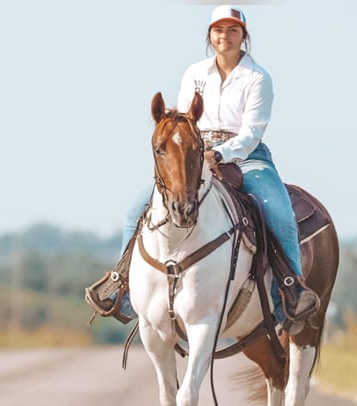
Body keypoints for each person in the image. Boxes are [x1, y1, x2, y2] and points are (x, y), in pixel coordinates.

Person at [87, 4, 319, 334]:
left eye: (233, 31)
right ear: (210, 36)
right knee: (136, 208)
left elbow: (252, 133)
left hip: (247, 157)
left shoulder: (258, 78)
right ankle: (123, 288)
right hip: (195, 156)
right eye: (219, 30)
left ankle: (290, 293)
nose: (225, 36)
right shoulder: (194, 73)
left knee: (277, 211)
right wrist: (196, 154)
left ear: (244, 37)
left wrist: (219, 154)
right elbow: (183, 120)